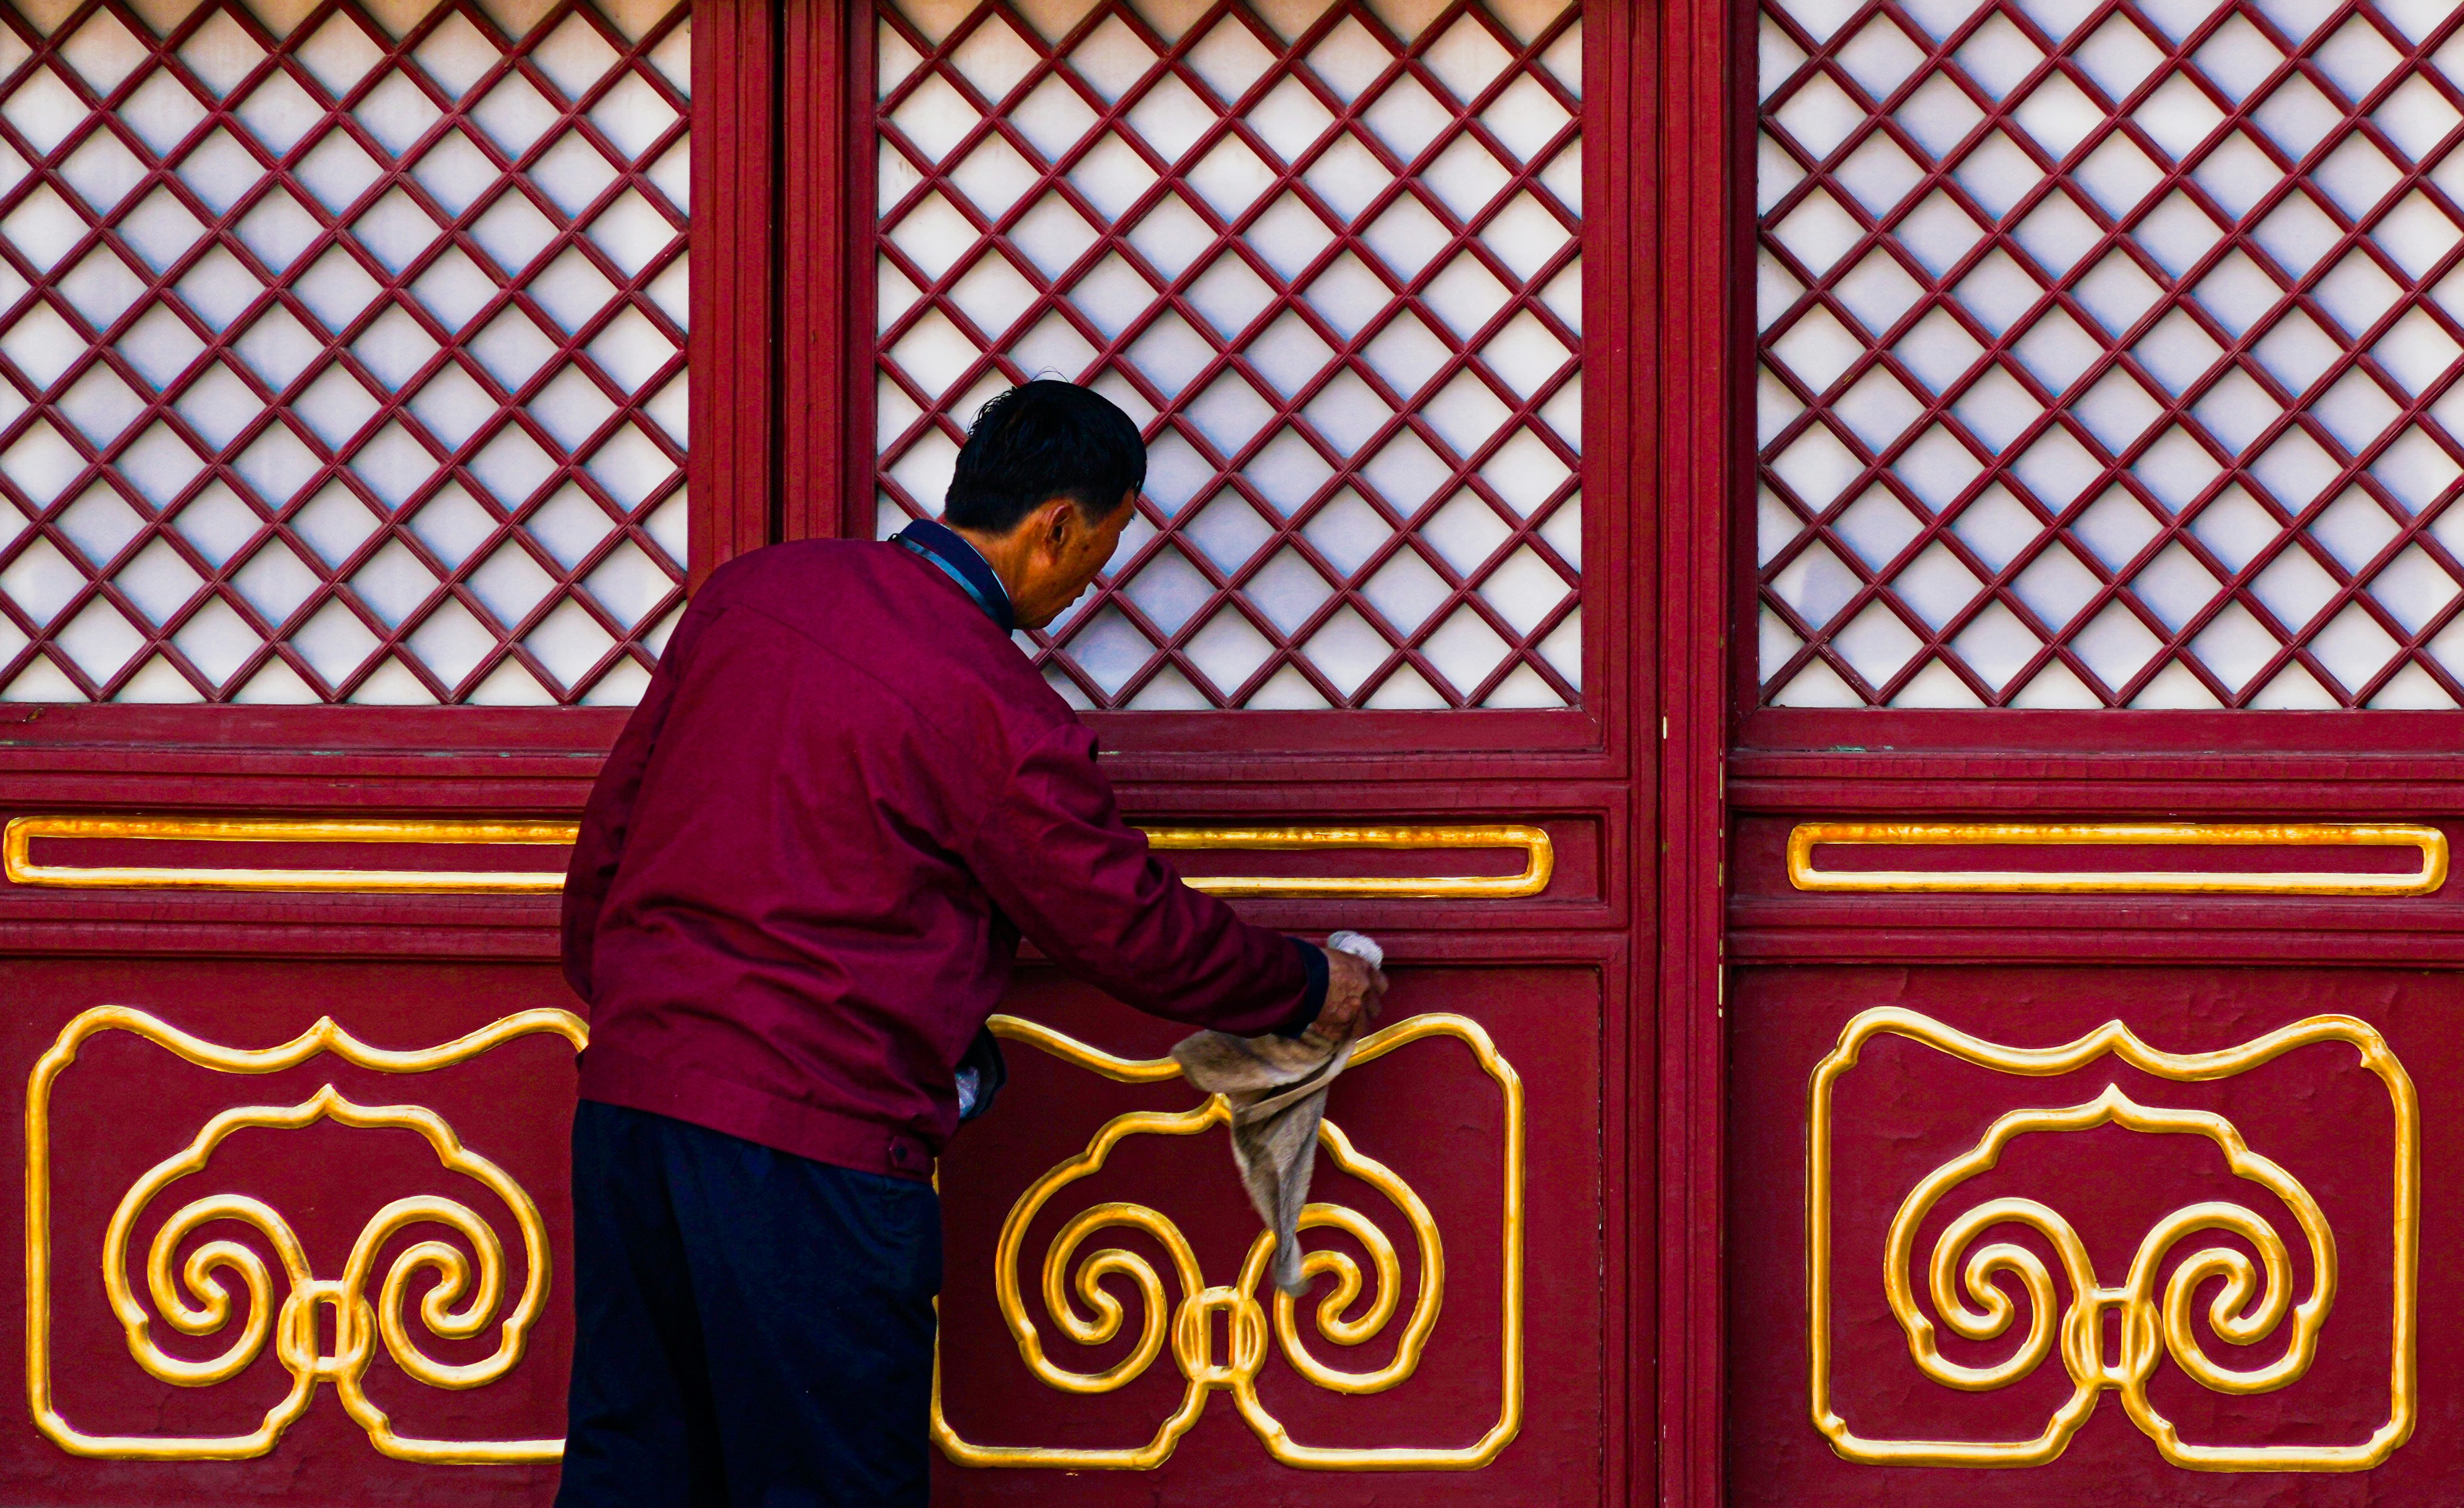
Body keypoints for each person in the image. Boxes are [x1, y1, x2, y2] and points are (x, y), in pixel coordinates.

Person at [554, 379, 1388, 1507]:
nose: (1090, 580)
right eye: (1101, 549)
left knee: (633, 1467)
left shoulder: (754, 593)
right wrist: (1303, 982)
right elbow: (1127, 924)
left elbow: (611, 834)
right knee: (831, 1485)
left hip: (634, 1114)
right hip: (812, 1147)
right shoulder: (993, 705)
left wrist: (641, 1019)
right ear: (1056, 527)